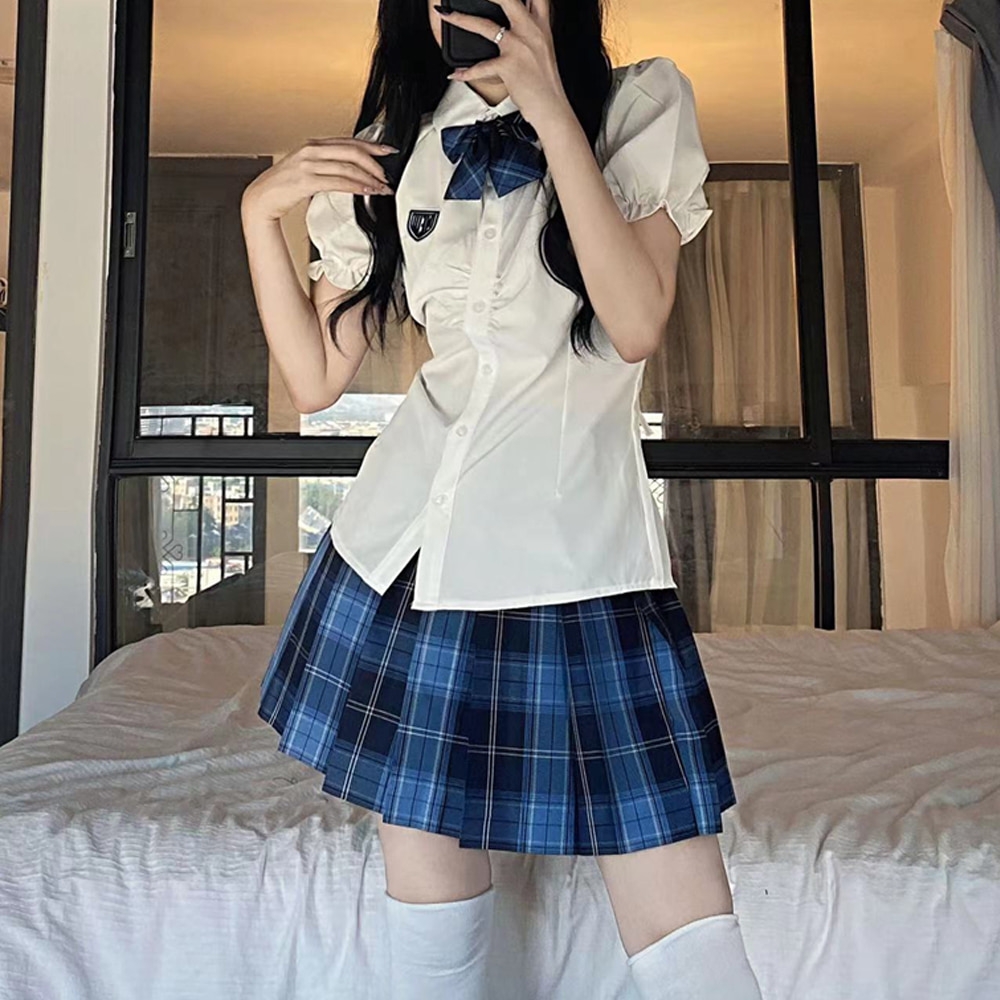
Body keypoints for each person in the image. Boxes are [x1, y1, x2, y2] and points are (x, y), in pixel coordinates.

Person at [241, 0, 764, 997]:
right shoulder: (397, 145)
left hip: (579, 558)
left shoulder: (637, 105)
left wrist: (552, 111)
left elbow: (635, 321)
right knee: (429, 900)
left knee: (685, 923)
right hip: (407, 559)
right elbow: (313, 379)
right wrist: (258, 215)